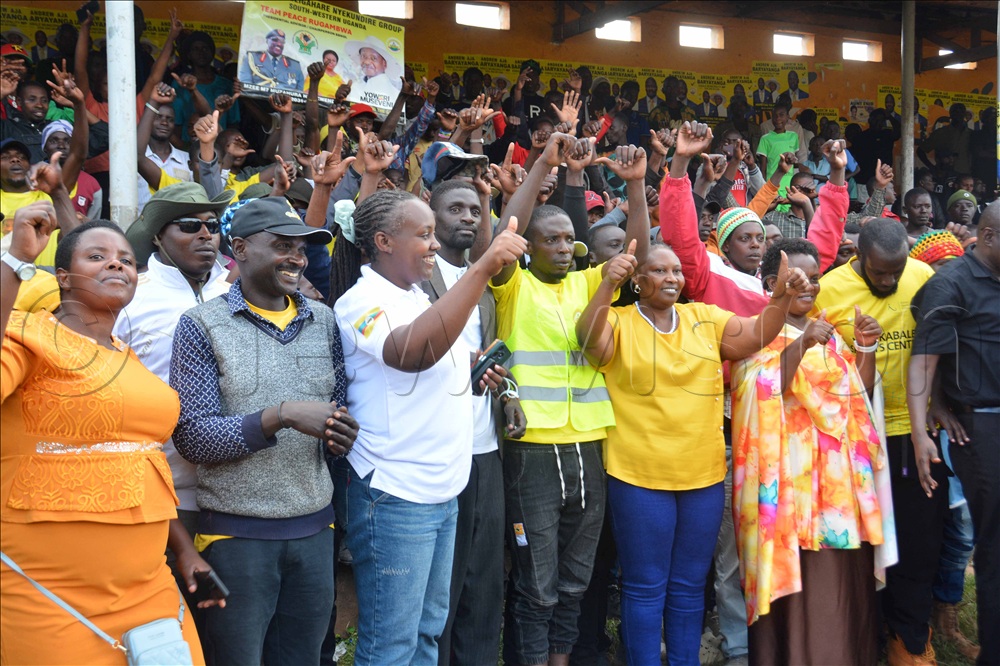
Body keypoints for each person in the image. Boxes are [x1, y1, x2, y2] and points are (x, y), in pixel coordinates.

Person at [574, 238, 810, 664]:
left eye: (677, 271)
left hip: (702, 477)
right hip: (638, 477)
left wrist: (782, 298)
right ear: (638, 280)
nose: (672, 277)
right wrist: (606, 287)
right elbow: (589, 341)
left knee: (687, 585)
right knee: (645, 586)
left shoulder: (704, 317)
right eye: (660, 270)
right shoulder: (621, 320)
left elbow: (756, 335)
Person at [1, 207, 215, 664]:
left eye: (125, 259)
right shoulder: (26, 334)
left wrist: (183, 551)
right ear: (62, 277)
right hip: (45, 591)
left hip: (150, 590)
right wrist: (15, 262)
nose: (117, 264)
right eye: (96, 256)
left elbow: (140, 462)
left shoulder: (127, 358)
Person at [333, 190, 526, 664]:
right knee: (391, 644)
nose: (435, 245)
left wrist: (475, 368)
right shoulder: (361, 301)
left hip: (443, 489)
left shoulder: (420, 298)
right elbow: (410, 354)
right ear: (382, 241)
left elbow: (440, 361)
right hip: (396, 494)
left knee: (426, 635)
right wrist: (482, 269)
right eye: (423, 235)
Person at [169, 196, 358, 665]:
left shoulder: (325, 320)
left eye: (301, 247)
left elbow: (339, 411)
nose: (296, 257)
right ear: (241, 248)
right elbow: (194, 437)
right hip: (237, 538)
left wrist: (339, 434)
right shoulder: (201, 325)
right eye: (281, 246)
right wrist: (283, 414)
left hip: (315, 532)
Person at [494, 135, 650, 666]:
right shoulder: (512, 287)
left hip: (588, 447)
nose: (565, 248)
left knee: (576, 580)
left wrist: (637, 186)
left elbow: (639, 256)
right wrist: (544, 166)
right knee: (537, 582)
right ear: (530, 247)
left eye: (569, 241)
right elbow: (506, 230)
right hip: (533, 451)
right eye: (553, 240)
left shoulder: (588, 284)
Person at [731, 238, 896, 665]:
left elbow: (855, 397)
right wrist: (801, 346)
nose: (810, 287)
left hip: (836, 488)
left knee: (840, 580)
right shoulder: (757, 331)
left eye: (816, 279)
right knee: (795, 577)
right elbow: (759, 392)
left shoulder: (828, 330)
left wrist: (864, 348)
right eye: (798, 279)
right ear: (772, 283)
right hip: (787, 484)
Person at [813, 218, 944, 665]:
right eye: (879, 273)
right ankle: (865, 635)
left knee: (919, 539)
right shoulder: (829, 291)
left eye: (896, 271)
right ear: (859, 258)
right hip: (854, 436)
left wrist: (940, 402)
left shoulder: (922, 278)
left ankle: (910, 641)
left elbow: (942, 344)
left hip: (913, 432)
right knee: (863, 547)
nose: (889, 281)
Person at [419, 180, 528, 665]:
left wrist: (505, 392)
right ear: (430, 213)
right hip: (437, 453)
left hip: (485, 450)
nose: (468, 216)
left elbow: (488, 359)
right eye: (455, 208)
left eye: (476, 208)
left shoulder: (484, 287)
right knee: (441, 584)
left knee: (483, 584)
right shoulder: (413, 281)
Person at [908, 203, 1000, 666]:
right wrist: (926, 425)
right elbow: (923, 360)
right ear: (986, 236)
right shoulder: (951, 283)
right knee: (994, 543)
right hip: (979, 427)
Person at [346, 35, 402, 109]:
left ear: (384, 63)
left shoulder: (396, 95)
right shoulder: (355, 87)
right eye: (363, 56)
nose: (366, 62)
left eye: (373, 58)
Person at [239, 29, 304, 91]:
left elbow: (299, 92)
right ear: (267, 41)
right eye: (275, 40)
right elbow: (245, 86)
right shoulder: (251, 58)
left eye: (282, 42)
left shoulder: (295, 65)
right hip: (256, 101)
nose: (279, 44)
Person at [918, 103, 972, 175]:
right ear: (950, 114)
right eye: (955, 112)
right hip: (944, 175)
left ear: (964, 114)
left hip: (965, 176)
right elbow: (920, 150)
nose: (958, 114)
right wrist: (931, 167)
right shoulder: (940, 133)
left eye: (961, 111)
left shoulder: (971, 134)